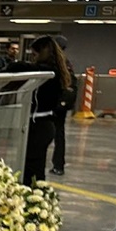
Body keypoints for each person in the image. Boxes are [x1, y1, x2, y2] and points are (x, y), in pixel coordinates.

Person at [6, 36, 73, 186]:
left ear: (43, 52)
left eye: (35, 54)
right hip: (43, 125)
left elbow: (17, 68)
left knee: (33, 167)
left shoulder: (48, 72)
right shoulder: (56, 70)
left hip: (40, 125)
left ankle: (33, 195)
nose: (33, 58)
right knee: (35, 167)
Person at [49, 35, 76, 176]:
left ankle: (58, 164)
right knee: (59, 135)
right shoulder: (67, 63)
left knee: (54, 133)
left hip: (55, 104)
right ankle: (58, 164)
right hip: (61, 105)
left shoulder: (58, 63)